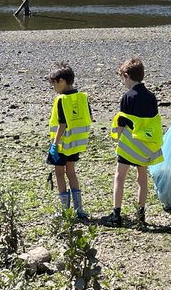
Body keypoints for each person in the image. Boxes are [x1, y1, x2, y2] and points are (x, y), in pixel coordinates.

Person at [102, 57, 163, 228]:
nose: (123, 82)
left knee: (119, 177)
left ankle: (116, 214)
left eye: (123, 78)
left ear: (127, 76)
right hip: (145, 145)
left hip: (129, 146)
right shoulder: (151, 97)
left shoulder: (127, 97)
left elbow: (121, 123)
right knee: (141, 179)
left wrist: (117, 141)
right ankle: (140, 215)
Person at [47, 62, 92, 218]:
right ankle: (79, 209)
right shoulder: (82, 98)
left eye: (53, 83)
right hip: (75, 144)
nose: (53, 87)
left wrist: (54, 144)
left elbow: (62, 124)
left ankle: (65, 210)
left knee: (59, 173)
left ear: (62, 81)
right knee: (71, 172)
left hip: (61, 145)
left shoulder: (61, 100)